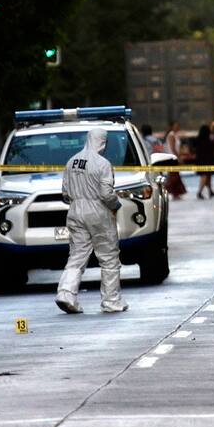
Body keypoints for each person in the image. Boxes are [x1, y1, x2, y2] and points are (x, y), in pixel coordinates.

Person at [55, 128, 127, 314]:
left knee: (77, 255)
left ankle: (66, 293)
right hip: (98, 212)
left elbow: (64, 192)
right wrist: (116, 205)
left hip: (75, 210)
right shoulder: (103, 164)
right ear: (102, 142)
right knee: (108, 257)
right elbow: (106, 193)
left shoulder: (71, 162)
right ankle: (111, 301)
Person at [163, 121, 187, 200]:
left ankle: (175, 193)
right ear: (172, 126)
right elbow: (173, 148)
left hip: (173, 158)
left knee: (175, 176)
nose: (177, 127)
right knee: (174, 176)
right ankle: (166, 189)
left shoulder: (175, 135)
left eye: (178, 125)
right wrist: (178, 158)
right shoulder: (171, 135)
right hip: (172, 158)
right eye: (176, 126)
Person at [194, 124, 214, 199]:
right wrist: (213, 141)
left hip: (201, 160)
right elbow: (213, 148)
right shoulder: (208, 140)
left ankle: (210, 191)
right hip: (207, 161)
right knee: (205, 176)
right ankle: (200, 192)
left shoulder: (198, 140)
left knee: (207, 176)